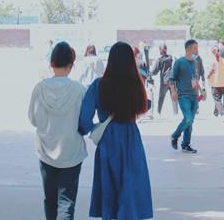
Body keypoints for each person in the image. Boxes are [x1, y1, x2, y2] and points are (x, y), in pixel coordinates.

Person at [79, 42, 153, 220]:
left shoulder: (98, 85)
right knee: (130, 185)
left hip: (108, 140)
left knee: (109, 186)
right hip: (131, 137)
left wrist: (93, 128)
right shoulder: (136, 84)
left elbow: (84, 121)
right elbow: (145, 106)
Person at [29, 41, 87, 220]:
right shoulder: (79, 90)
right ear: (71, 65)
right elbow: (85, 121)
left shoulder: (39, 89)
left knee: (50, 200)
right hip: (71, 153)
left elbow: (33, 119)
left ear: (51, 63)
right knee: (66, 204)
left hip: (46, 152)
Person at [169, 39, 201, 153]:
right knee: (188, 119)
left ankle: (186, 144)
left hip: (194, 95)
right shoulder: (179, 62)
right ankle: (175, 136)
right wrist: (173, 92)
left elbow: (195, 78)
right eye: (195, 48)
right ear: (189, 49)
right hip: (183, 96)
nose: (197, 50)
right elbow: (172, 79)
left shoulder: (195, 62)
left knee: (190, 121)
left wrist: (201, 90)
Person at [150, 43, 177, 116]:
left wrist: (150, 73)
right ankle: (176, 114)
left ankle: (158, 113)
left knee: (161, 98)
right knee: (174, 98)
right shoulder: (171, 58)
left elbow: (155, 71)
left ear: (160, 50)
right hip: (172, 81)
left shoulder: (160, 60)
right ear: (166, 49)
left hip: (164, 81)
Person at [207, 47, 224, 117]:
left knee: (217, 99)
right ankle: (216, 112)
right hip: (223, 84)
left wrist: (208, 76)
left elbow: (210, 71)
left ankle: (222, 112)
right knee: (218, 98)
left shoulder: (213, 61)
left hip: (215, 83)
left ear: (212, 53)